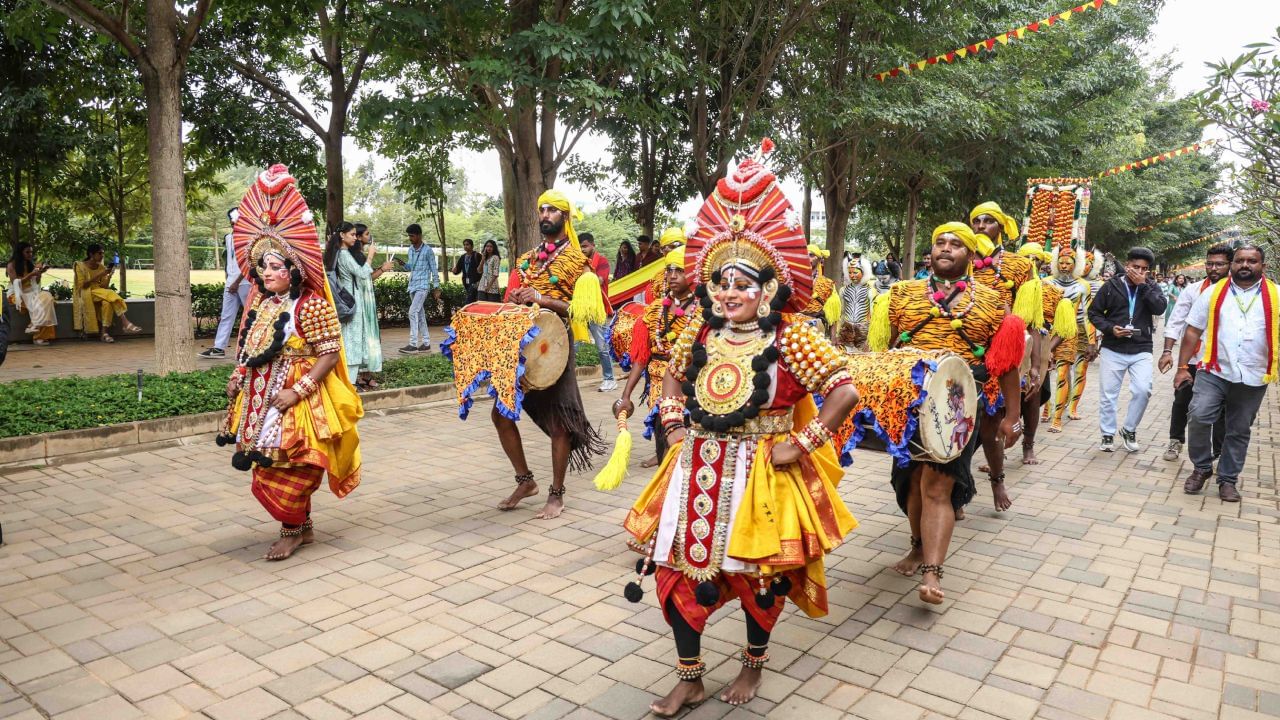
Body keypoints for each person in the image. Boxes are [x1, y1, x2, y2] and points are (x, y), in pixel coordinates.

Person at [621, 146, 859, 715]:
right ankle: (690, 676)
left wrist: (800, 443)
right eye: (720, 281)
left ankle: (753, 666)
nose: (728, 292)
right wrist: (676, 428)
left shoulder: (793, 336)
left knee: (759, 578)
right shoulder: (697, 333)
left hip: (762, 472)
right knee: (675, 573)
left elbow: (844, 390)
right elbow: (673, 380)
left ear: (769, 289)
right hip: (696, 465)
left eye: (742, 283)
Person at [869, 222, 1024, 603]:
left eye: (956, 244)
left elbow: (1006, 365)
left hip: (958, 402)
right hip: (906, 403)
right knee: (910, 483)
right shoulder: (901, 295)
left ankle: (933, 573)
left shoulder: (992, 301)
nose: (946, 248)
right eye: (940, 242)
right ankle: (918, 544)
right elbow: (882, 356)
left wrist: (1011, 416)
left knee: (938, 484)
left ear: (970, 255)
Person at [218, 164, 362, 561]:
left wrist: (298, 390)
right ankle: (302, 525)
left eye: (275, 266)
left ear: (294, 270)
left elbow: (330, 351)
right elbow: (248, 346)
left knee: (292, 460)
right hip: (261, 394)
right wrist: (237, 377)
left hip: (298, 397)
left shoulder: (311, 304)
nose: (266, 273)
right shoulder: (262, 302)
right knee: (269, 461)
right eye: (261, 266)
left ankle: (294, 529)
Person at [496, 189, 607, 519]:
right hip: (521, 348)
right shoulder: (526, 259)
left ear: (565, 217)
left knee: (560, 424)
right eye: (541, 209)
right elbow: (507, 300)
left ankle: (557, 494)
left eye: (552, 210)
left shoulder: (578, 262)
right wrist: (515, 297)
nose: (545, 215)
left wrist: (540, 297)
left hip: (555, 347)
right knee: (500, 414)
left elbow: (585, 312)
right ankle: (525, 481)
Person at [1176, 244, 1275, 503]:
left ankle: (1228, 479)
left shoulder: (1276, 296)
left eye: (1251, 261)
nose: (1245, 265)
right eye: (1240, 260)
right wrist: (1182, 367)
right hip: (1214, 369)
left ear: (1262, 266)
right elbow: (1193, 330)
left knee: (1238, 429)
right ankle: (1202, 467)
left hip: (1254, 375)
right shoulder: (1213, 293)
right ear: (1232, 264)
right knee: (1198, 415)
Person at [969, 201, 1042, 512]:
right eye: (977, 221)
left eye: (989, 221)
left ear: (1000, 228)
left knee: (991, 421)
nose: (982, 226)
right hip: (965, 346)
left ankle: (998, 479)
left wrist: (1036, 364)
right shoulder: (962, 258)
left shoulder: (1019, 266)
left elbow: (1031, 321)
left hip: (1003, 350)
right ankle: (959, 487)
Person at [613, 248, 693, 468]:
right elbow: (641, 358)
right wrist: (626, 395)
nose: (673, 275)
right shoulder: (655, 311)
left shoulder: (704, 312)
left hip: (692, 395)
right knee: (664, 451)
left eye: (680, 270)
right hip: (660, 398)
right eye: (669, 270)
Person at [1088, 246, 1167, 452]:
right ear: (1127, 264)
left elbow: (1160, 308)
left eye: (1143, 269)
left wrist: (1143, 287)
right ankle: (1107, 434)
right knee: (1108, 394)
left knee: (1143, 390)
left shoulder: (1151, 286)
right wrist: (1110, 329)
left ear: (1148, 270)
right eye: (1135, 267)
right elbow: (1094, 313)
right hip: (1113, 348)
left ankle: (1129, 429)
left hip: (1141, 348)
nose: (1138, 272)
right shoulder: (1111, 285)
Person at [1160, 246, 1231, 461]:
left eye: (1219, 264)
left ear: (1230, 265)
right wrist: (1166, 351)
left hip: (1221, 360)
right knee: (1182, 399)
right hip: (1192, 357)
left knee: (1221, 408)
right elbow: (1176, 320)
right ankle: (1175, 440)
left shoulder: (1236, 292)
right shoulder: (1193, 290)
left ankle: (1219, 451)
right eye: (1210, 263)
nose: (1213, 268)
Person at [1015, 243, 1078, 465]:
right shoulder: (1005, 288)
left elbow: (1062, 328)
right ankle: (999, 447)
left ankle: (1028, 447)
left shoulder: (1053, 292)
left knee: (1031, 397)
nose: (1031, 263)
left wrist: (1046, 351)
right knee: (1001, 401)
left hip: (1038, 350)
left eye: (1036, 259)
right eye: (1026, 259)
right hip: (1008, 349)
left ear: (1042, 264)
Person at [326, 222, 392, 391]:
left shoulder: (339, 254)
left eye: (356, 234)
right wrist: (370, 255)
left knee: (351, 340)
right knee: (352, 342)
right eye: (352, 234)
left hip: (349, 300)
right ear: (342, 235)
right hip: (351, 301)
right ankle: (350, 382)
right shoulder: (344, 255)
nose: (355, 238)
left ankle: (350, 380)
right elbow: (363, 274)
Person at [1043, 246, 1099, 432]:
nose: (1065, 266)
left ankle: (1057, 419)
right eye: (1062, 262)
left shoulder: (1083, 285)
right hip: (1047, 332)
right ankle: (1046, 408)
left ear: (1076, 265)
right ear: (1056, 263)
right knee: (1044, 373)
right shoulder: (1047, 282)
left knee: (1061, 374)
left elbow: (1087, 316)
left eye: (1069, 263)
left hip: (1069, 333)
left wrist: (1092, 341)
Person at [200, 212, 252, 359]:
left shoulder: (249, 237)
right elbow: (229, 262)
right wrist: (229, 280)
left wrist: (236, 282)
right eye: (232, 220)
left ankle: (251, 348)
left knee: (250, 316)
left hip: (244, 282)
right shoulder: (228, 238)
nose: (233, 223)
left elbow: (249, 263)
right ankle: (219, 348)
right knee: (226, 316)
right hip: (230, 283)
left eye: (236, 220)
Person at [73, 243, 142, 343]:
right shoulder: (80, 266)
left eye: (103, 253)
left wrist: (109, 275)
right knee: (109, 293)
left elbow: (104, 287)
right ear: (91, 254)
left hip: (99, 292)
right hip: (86, 292)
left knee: (107, 303)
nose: (102, 256)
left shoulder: (101, 267)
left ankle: (104, 334)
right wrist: (100, 274)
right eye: (99, 253)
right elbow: (82, 285)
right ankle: (125, 322)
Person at [579, 232, 617, 391]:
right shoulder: (578, 262)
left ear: (593, 245)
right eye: (580, 247)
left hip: (597, 309)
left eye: (585, 246)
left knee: (602, 346)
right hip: (580, 308)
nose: (582, 249)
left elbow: (599, 280)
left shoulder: (601, 261)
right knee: (573, 344)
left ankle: (610, 379)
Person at [399, 223, 441, 354]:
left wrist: (436, 287)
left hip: (423, 286)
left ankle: (413, 344)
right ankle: (426, 343)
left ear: (419, 235)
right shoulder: (411, 250)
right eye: (409, 236)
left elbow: (434, 270)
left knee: (412, 312)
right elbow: (411, 267)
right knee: (420, 314)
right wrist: (404, 265)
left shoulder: (428, 250)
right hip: (412, 286)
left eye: (412, 236)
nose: (410, 238)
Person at [5, 242, 56, 346]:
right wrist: (31, 274)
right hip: (16, 294)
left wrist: (40, 273)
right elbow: (15, 282)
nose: (30, 254)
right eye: (27, 252)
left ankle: (34, 325)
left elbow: (35, 282)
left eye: (31, 252)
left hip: (30, 292)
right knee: (39, 304)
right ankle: (38, 336)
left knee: (47, 298)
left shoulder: (29, 264)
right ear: (20, 252)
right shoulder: (11, 265)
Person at [837, 253, 875, 352]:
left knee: (862, 358)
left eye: (855, 272)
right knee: (844, 355)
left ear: (864, 272)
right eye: (850, 272)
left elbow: (874, 315)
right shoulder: (843, 290)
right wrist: (837, 332)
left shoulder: (870, 290)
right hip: (846, 327)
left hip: (863, 328)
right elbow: (840, 312)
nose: (852, 275)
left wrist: (871, 337)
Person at [799, 244, 839, 331]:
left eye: (811, 255)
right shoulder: (795, 280)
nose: (808, 258)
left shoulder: (828, 284)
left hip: (816, 328)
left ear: (819, 259)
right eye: (805, 255)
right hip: (796, 326)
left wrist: (833, 339)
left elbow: (833, 315)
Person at [453, 238, 483, 304]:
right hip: (466, 282)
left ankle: (466, 311)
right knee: (472, 299)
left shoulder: (477, 256)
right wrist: (454, 271)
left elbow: (482, 270)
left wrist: (479, 281)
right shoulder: (463, 257)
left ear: (472, 246)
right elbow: (458, 270)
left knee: (470, 300)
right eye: (464, 245)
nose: (465, 246)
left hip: (475, 282)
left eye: (467, 244)